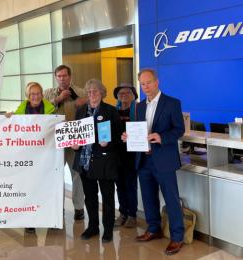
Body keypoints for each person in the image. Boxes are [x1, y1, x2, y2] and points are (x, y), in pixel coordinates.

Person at [122, 68, 185, 255]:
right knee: (149, 198)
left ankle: (177, 237)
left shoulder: (172, 103)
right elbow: (139, 130)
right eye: (142, 84)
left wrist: (162, 137)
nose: (146, 87)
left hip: (164, 159)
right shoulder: (139, 106)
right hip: (144, 159)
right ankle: (154, 229)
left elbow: (179, 130)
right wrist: (129, 136)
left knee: (171, 200)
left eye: (148, 82)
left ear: (157, 82)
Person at [72, 79, 122, 243]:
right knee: (90, 197)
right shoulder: (80, 111)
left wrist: (109, 142)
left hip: (104, 161)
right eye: (89, 92)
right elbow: (75, 134)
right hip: (85, 161)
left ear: (102, 93)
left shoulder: (111, 111)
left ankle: (107, 229)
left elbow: (120, 137)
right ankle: (92, 226)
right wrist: (75, 145)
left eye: (95, 91)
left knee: (107, 197)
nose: (92, 94)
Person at [7, 82, 55, 234]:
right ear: (28, 96)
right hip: (27, 155)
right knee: (28, 187)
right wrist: (9, 118)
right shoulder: (20, 111)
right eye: (32, 94)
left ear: (42, 94)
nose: (35, 96)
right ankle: (30, 220)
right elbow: (13, 130)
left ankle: (49, 217)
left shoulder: (51, 109)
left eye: (38, 93)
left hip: (46, 155)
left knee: (46, 187)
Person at [44, 65, 87, 221]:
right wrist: (58, 100)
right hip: (54, 141)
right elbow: (41, 110)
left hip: (75, 139)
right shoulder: (48, 93)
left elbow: (90, 111)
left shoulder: (82, 92)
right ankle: (57, 207)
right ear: (56, 77)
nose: (62, 79)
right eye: (59, 76)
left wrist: (84, 103)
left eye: (65, 76)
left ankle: (79, 208)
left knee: (77, 174)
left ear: (70, 77)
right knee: (56, 175)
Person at [113, 83, 139, 228]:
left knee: (131, 185)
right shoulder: (113, 111)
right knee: (120, 185)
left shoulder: (138, 111)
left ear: (134, 95)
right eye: (121, 93)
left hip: (132, 154)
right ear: (117, 96)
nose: (124, 95)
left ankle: (132, 215)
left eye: (127, 93)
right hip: (117, 154)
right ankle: (122, 213)